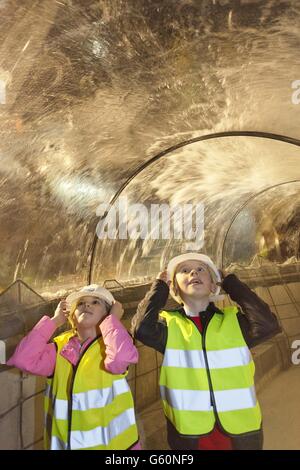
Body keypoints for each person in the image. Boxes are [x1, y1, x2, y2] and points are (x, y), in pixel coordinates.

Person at [132, 253, 281, 450]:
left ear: (213, 285)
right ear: (174, 287)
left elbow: (267, 324)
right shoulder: (169, 327)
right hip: (190, 436)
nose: (193, 272)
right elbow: (141, 328)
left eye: (201, 269)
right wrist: (159, 286)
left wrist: (231, 283)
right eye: (184, 270)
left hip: (241, 433)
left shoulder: (234, 321)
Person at [7, 284, 140, 450]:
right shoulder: (59, 349)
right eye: (81, 303)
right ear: (72, 316)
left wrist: (113, 321)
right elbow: (22, 359)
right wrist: (54, 322)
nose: (87, 305)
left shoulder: (114, 344)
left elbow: (118, 360)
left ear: (107, 315)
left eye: (96, 302)